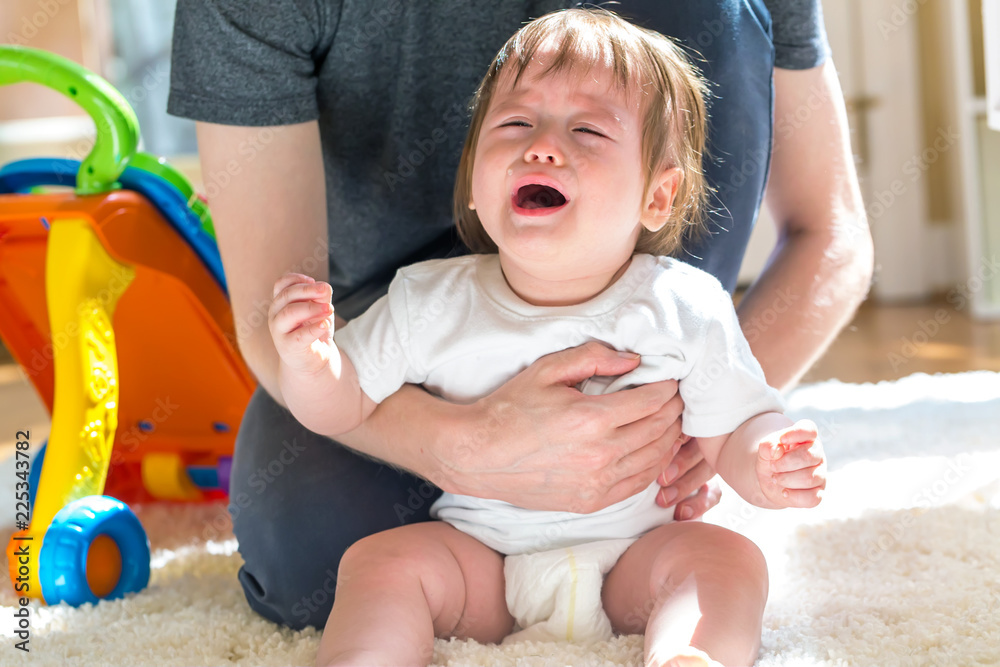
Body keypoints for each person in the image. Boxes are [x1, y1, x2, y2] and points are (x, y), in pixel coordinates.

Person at [168, 0, 872, 629]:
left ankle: (690, 653)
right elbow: (336, 392)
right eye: (515, 123)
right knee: (353, 563)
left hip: (639, 539)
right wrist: (316, 361)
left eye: (588, 132)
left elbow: (761, 377)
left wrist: (741, 451)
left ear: (660, 199)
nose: (542, 145)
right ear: (471, 180)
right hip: (478, 546)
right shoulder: (426, 299)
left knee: (724, 561)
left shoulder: (680, 303)